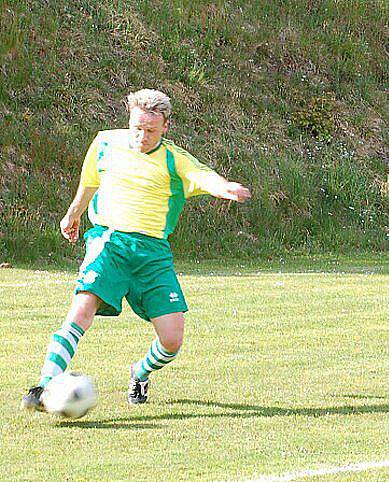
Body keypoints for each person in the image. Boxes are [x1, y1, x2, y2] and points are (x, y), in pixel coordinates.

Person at [22, 89, 251, 409]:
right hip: (109, 242)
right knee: (81, 310)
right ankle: (43, 387)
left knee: (172, 340)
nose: (142, 136)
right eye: (136, 128)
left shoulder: (175, 159)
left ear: (166, 127)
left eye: (150, 131)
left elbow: (202, 176)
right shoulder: (105, 142)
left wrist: (225, 188)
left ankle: (139, 372)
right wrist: (73, 214)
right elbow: (90, 180)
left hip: (152, 253)